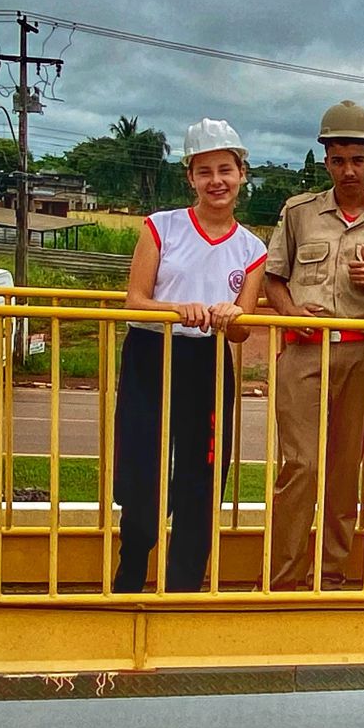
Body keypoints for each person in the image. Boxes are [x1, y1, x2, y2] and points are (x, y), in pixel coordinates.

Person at [112, 119, 266, 593]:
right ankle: (132, 568)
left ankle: (182, 587)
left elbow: (242, 328)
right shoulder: (162, 227)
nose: (216, 180)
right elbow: (135, 300)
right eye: (205, 171)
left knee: (202, 477)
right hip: (151, 355)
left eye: (225, 169)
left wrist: (228, 315)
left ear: (242, 174)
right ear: (191, 178)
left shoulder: (252, 248)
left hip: (207, 362)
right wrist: (178, 309)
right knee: (144, 468)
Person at [265, 101, 364, 590]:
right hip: (305, 352)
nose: (349, 169)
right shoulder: (299, 213)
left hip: (361, 354)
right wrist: (289, 313)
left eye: (358, 159)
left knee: (345, 469)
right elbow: (274, 279)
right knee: (301, 464)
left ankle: (330, 574)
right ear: (326, 160)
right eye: (338, 159)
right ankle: (283, 577)